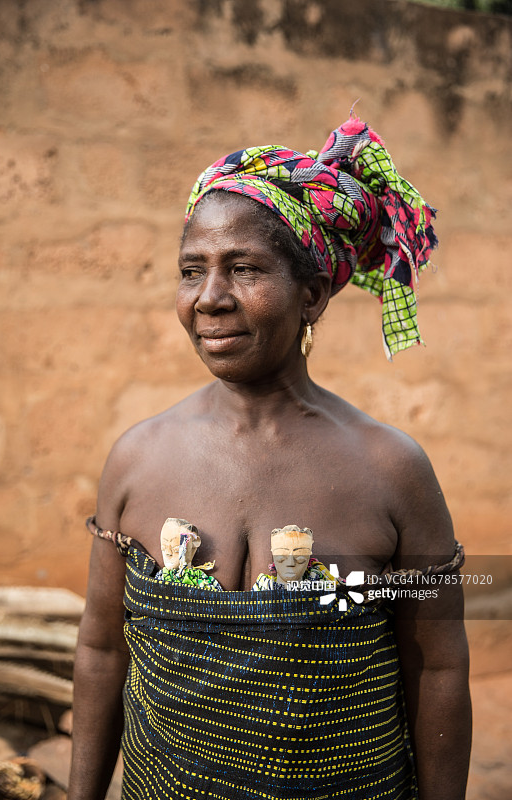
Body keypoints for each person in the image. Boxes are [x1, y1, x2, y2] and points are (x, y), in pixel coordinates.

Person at [68, 116, 471, 800]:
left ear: (311, 295)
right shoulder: (138, 459)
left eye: (243, 268)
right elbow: (102, 650)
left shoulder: (389, 469)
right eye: (191, 271)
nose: (209, 299)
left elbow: (437, 669)